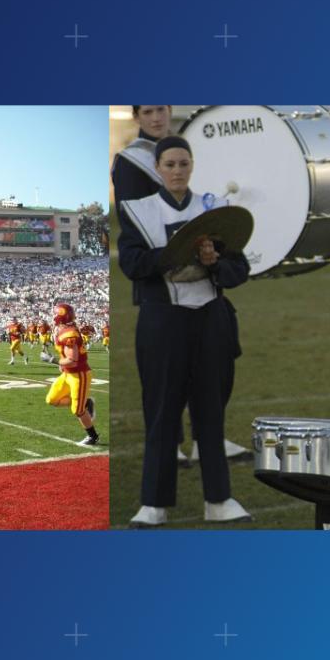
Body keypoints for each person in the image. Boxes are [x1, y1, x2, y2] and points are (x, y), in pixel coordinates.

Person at [119, 135, 252, 527]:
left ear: (192, 166)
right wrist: (178, 254)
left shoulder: (213, 207)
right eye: (170, 165)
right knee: (161, 412)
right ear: (158, 169)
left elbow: (238, 270)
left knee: (210, 412)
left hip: (210, 317)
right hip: (163, 321)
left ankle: (219, 498)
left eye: (183, 164)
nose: (177, 171)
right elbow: (132, 264)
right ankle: (154, 504)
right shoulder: (139, 210)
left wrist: (213, 262)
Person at [45, 303, 99, 447]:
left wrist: (53, 360)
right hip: (68, 374)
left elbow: (72, 360)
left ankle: (92, 437)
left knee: (78, 410)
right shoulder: (63, 329)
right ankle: (86, 402)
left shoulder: (68, 333)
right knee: (52, 399)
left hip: (78, 374)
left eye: (55, 314)